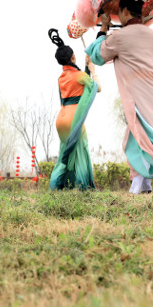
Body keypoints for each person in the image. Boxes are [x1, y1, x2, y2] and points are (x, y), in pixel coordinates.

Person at [86, 0, 153, 195]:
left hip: (138, 95)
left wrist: (104, 28)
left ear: (125, 11)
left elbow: (97, 56)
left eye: (119, 12)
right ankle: (140, 185)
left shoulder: (119, 37)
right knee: (138, 137)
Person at [48, 28, 99, 190]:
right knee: (81, 151)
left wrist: (85, 68)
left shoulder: (61, 77)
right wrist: (93, 71)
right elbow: (96, 88)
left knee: (65, 154)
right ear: (72, 57)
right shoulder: (79, 76)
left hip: (61, 119)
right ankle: (84, 187)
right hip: (74, 119)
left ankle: (58, 185)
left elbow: (78, 86)